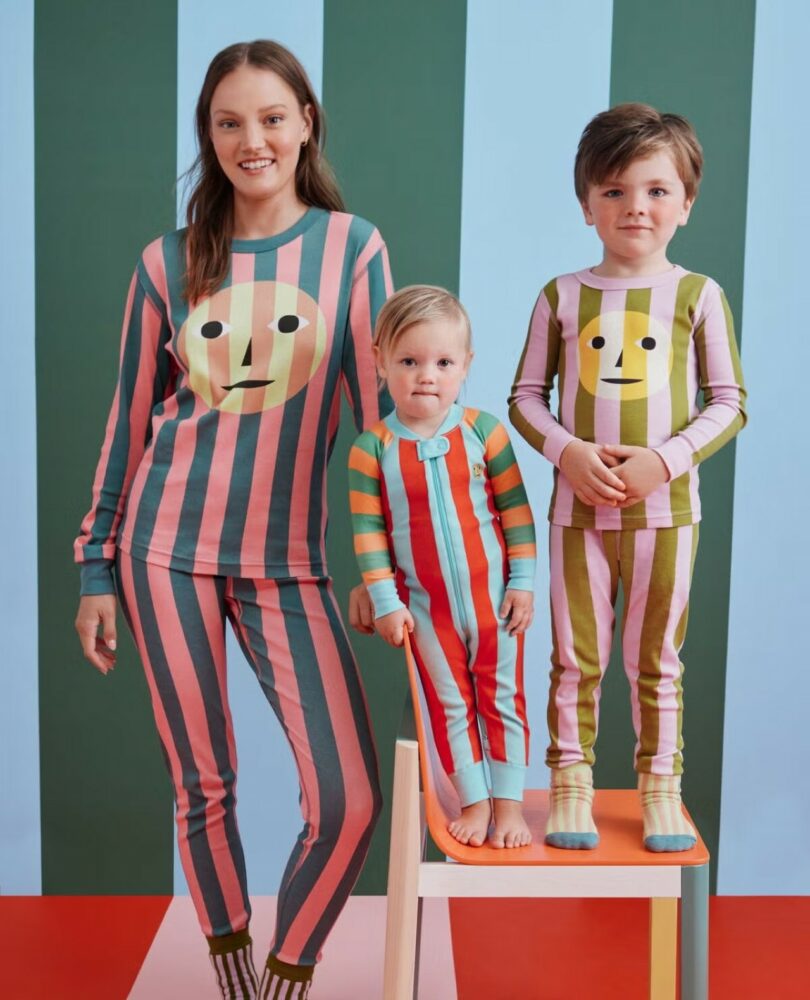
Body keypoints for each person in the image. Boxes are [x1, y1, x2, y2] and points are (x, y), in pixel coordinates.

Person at [73, 40, 392, 999]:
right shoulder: (165, 263)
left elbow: (381, 430)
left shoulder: (353, 249)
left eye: (270, 118)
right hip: (162, 548)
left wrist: (393, 571)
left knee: (348, 800)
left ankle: (293, 958)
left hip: (288, 562)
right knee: (204, 783)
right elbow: (128, 423)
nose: (252, 140)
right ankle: (234, 969)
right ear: (208, 138)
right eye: (228, 123)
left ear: (306, 124)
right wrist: (96, 570)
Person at [509, 103, 746, 852]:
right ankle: (571, 779)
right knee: (576, 658)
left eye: (654, 190)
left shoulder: (698, 296)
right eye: (613, 191)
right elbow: (523, 398)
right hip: (576, 517)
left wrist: (663, 460)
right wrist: (568, 453)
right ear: (587, 204)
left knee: (657, 660)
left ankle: (659, 787)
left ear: (685, 203)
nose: (634, 207)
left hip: (668, 517)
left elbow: (729, 402)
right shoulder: (561, 296)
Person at [349, 285, 536, 849]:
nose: (426, 375)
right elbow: (370, 536)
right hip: (424, 613)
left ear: (465, 366)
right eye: (408, 361)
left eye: (442, 362)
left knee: (503, 698)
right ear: (380, 361)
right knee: (448, 704)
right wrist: (386, 603)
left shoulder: (485, 432)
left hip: (494, 603)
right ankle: (474, 804)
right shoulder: (372, 449)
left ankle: (509, 808)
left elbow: (517, 515)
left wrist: (523, 583)